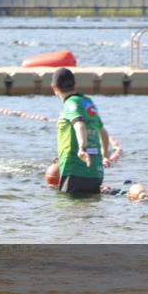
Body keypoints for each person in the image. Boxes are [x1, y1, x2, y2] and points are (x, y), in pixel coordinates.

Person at [51, 67, 112, 197]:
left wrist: (82, 149)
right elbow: (103, 132)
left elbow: (79, 124)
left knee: (67, 210)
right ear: (75, 85)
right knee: (89, 210)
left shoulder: (70, 104)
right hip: (95, 172)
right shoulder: (87, 102)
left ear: (55, 87)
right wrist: (105, 155)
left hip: (75, 169)